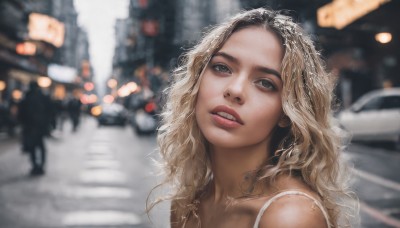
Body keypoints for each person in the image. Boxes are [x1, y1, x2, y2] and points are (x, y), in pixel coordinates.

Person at [148, 8, 358, 228]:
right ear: (197, 81)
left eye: (265, 83)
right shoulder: (187, 204)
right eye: (222, 68)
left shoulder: (290, 217)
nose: (235, 90)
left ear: (287, 112)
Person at [18, 81, 51, 175]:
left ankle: (36, 166)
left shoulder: (27, 97)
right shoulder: (43, 97)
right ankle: (40, 166)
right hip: (40, 127)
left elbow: (21, 113)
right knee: (41, 146)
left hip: (31, 127)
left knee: (33, 147)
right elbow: (50, 111)